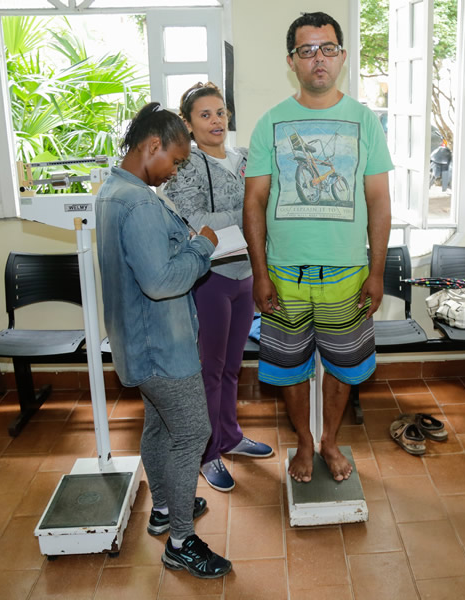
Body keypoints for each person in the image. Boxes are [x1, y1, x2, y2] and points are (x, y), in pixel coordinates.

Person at [243, 12, 392, 483]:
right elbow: (254, 201)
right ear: (292, 61)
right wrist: (260, 273)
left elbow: (379, 202)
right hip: (284, 274)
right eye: (306, 50)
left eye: (327, 48)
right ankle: (305, 444)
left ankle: (329, 441)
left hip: (348, 273)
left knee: (343, 368)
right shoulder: (270, 123)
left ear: (342, 56)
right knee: (289, 369)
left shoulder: (365, 121)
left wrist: (376, 271)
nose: (318, 59)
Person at [95, 103, 231, 579]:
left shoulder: (113, 191)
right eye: (174, 161)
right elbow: (160, 281)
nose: (174, 171)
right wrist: (203, 245)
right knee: (192, 432)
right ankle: (181, 542)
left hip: (137, 341)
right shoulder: (139, 204)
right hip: (162, 346)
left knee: (159, 429)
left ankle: (165, 510)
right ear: (152, 145)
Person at [165, 82, 273, 494]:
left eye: (221, 112)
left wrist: (254, 212)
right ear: (189, 124)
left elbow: (269, 203)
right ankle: (206, 452)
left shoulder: (245, 158)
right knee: (209, 370)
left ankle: (229, 435)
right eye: (205, 115)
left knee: (231, 367)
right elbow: (197, 220)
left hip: (246, 274)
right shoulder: (184, 165)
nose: (216, 121)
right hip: (211, 278)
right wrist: (251, 211)